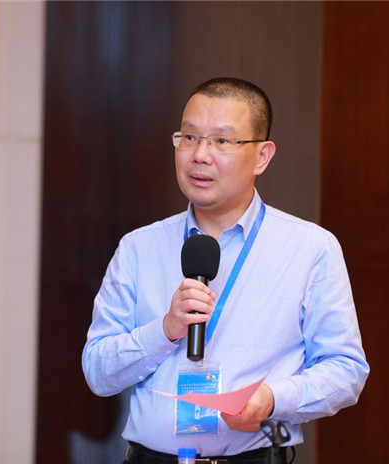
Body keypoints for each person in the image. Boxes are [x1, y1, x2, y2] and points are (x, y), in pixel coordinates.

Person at [83, 77, 369, 464]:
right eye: (189, 137)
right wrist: (164, 330)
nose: (200, 155)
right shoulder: (139, 248)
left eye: (221, 141)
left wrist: (273, 399)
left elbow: (346, 371)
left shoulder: (310, 249)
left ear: (262, 156)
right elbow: (98, 372)